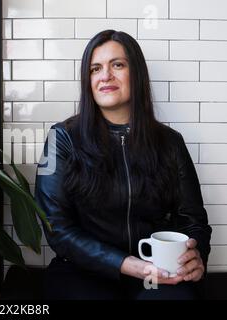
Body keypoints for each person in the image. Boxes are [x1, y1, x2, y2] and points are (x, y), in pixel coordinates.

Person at [35, 30, 212, 300]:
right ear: (88, 80)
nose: (105, 76)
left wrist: (195, 256)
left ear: (137, 74)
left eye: (117, 65)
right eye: (96, 69)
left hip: (156, 271)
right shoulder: (62, 139)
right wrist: (128, 265)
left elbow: (193, 220)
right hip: (84, 271)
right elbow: (57, 228)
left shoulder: (170, 143)